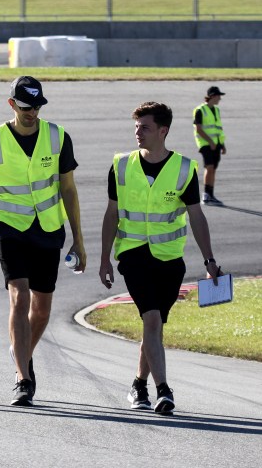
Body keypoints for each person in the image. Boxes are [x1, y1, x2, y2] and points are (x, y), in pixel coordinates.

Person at [99, 101, 222, 415]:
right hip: (133, 255)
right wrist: (104, 259)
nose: (138, 133)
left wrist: (209, 261)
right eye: (136, 127)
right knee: (151, 319)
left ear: (163, 131)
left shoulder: (183, 169)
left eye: (145, 127)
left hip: (169, 259)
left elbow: (196, 217)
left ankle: (139, 383)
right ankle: (163, 390)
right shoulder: (121, 165)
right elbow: (111, 214)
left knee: (153, 326)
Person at [0, 76, 86, 407]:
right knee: (19, 298)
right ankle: (23, 378)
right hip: (8, 228)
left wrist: (79, 241)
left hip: (49, 230)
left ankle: (21, 351)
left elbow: (68, 189)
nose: (33, 113)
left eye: (38, 106)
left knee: (42, 310)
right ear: (11, 104)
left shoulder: (58, 137)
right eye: (26, 107)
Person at [193, 86, 227, 205]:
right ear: (212, 96)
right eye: (218, 96)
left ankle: (211, 195)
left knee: (213, 169)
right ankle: (206, 195)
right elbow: (199, 129)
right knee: (209, 167)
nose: (220, 99)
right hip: (205, 143)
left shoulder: (216, 110)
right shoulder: (200, 110)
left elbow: (218, 128)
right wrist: (210, 142)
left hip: (216, 144)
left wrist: (222, 144)